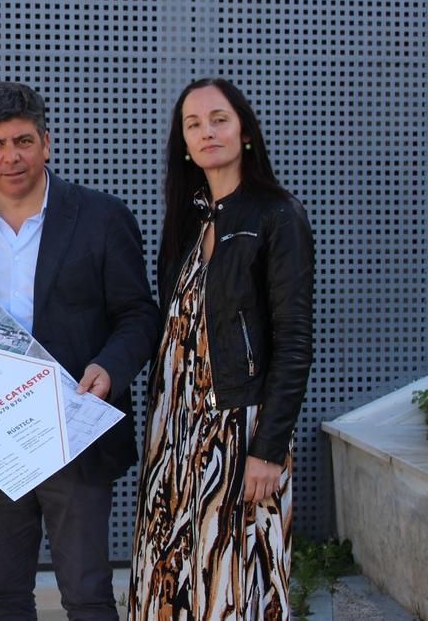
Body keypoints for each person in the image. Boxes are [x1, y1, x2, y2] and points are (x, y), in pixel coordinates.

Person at [0, 82, 159, 620]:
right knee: (4, 595)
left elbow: (139, 314)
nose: (12, 156)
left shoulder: (101, 217)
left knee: (86, 594)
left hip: (73, 429)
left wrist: (110, 368)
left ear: (46, 143)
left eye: (23, 140)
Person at [129, 78, 313, 620]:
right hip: (175, 434)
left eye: (219, 119)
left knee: (233, 584)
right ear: (183, 143)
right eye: (193, 124)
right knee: (170, 579)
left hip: (240, 431)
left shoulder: (277, 216)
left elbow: (294, 342)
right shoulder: (190, 220)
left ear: (245, 131)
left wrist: (268, 448)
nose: (206, 131)